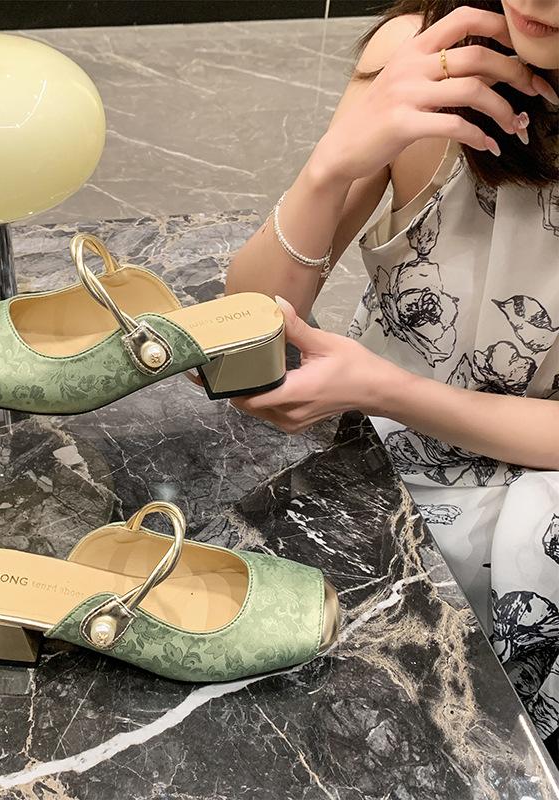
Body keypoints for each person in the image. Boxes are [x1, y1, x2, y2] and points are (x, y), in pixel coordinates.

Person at [225, 0, 559, 753]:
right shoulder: (429, 55)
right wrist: (330, 167)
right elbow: (241, 340)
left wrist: (384, 387)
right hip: (377, 467)